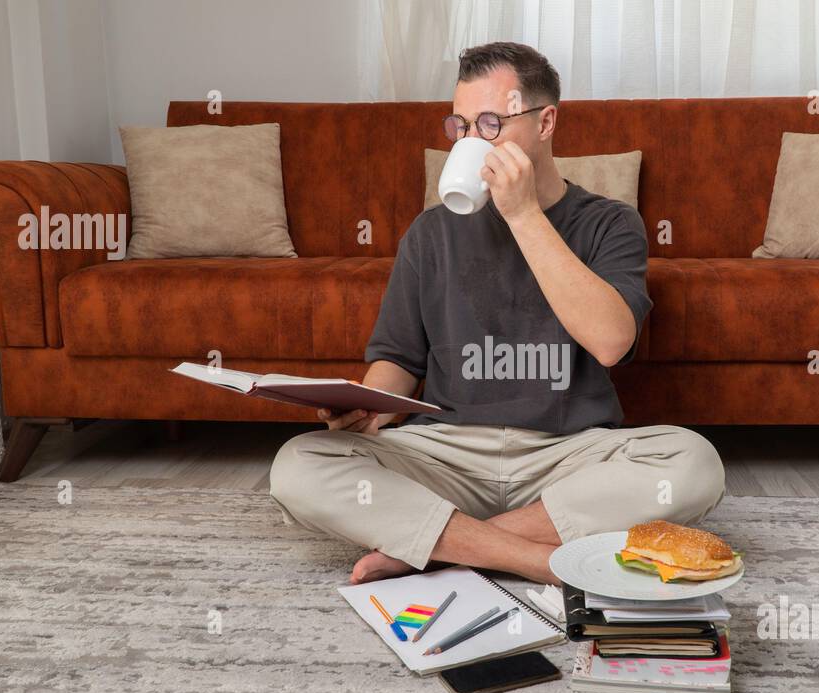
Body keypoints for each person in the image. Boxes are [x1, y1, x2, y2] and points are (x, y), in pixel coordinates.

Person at [270, 41, 725, 585]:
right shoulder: (431, 232)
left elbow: (611, 341)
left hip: (566, 456)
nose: (469, 141)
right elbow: (396, 357)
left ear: (546, 122)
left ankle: (438, 546)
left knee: (694, 463)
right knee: (298, 464)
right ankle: (534, 558)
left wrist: (524, 212)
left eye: (489, 122)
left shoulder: (611, 223)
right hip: (445, 452)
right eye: (459, 125)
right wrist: (371, 410)